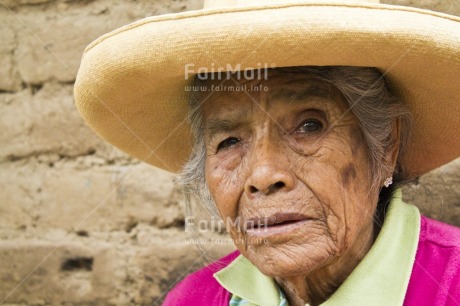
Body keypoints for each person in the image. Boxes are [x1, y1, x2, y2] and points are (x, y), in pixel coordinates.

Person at [74, 0, 460, 305]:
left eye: (310, 126)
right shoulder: (194, 301)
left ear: (386, 146)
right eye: (229, 142)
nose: (263, 175)